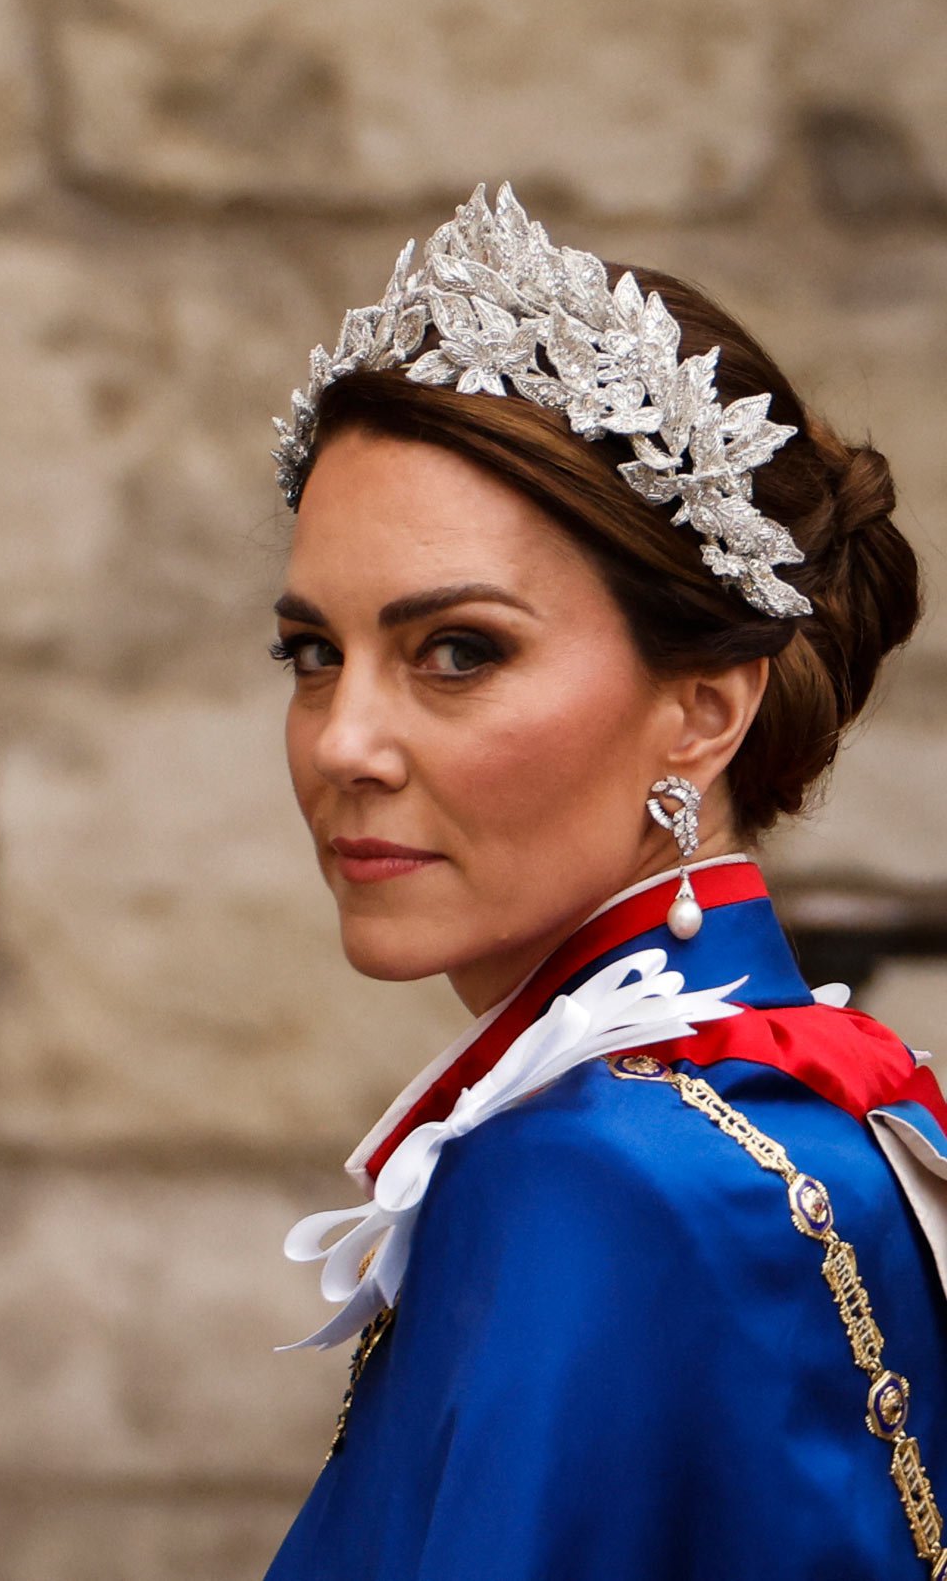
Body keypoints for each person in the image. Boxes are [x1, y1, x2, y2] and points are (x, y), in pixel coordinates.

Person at [262, 184, 947, 1580]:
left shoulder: (591, 1178)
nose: (343, 742)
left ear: (703, 710)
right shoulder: (824, 1105)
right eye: (311, 652)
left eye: (457, 651)